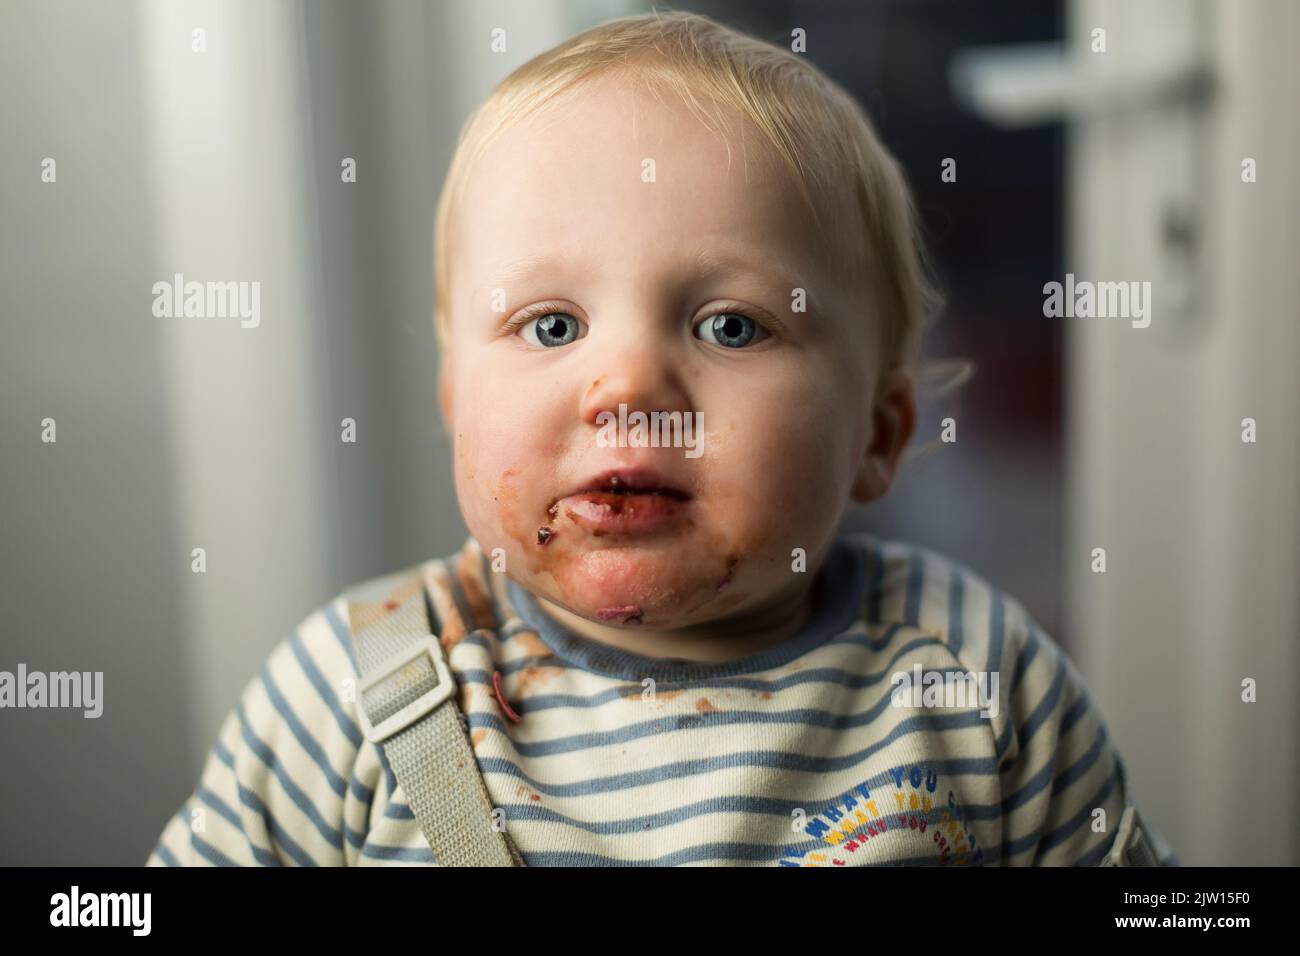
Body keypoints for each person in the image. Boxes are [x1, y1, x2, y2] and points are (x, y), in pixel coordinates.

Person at [149, 10, 1175, 867]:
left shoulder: (973, 675)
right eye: (550, 325)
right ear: (456, 390)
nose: (627, 384)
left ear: (876, 433)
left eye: (731, 325)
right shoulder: (357, 691)